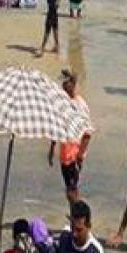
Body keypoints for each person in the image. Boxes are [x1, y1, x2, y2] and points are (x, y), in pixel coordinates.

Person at [48, 69, 92, 205]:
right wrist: (52, 148)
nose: (63, 89)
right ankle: (74, 212)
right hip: (64, 155)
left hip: (74, 155)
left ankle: (77, 215)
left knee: (71, 190)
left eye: (65, 86)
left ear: (72, 85)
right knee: (70, 188)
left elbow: (87, 133)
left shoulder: (80, 105)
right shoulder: (62, 104)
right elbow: (57, 126)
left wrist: (80, 155)